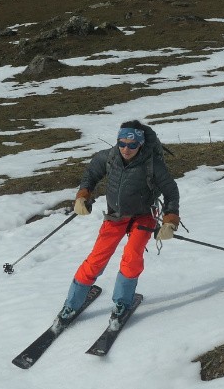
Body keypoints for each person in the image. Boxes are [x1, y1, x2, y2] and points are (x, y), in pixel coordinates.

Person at [56, 119, 181, 325]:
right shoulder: (109, 157)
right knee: (96, 259)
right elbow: (91, 174)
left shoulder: (152, 164)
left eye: (132, 145)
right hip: (115, 216)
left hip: (143, 217)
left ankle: (122, 302)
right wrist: (83, 195)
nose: (126, 149)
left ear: (140, 144)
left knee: (132, 257)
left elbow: (171, 191)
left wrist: (170, 220)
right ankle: (72, 303)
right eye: (122, 143)